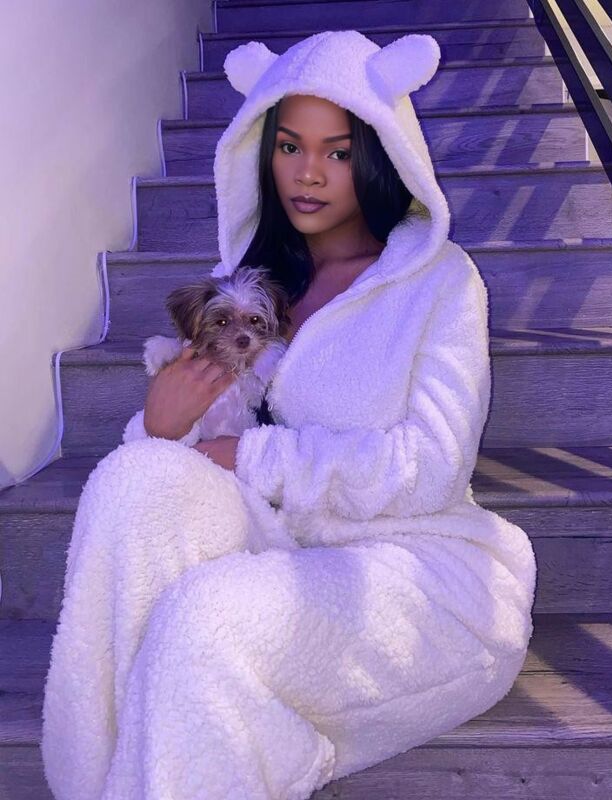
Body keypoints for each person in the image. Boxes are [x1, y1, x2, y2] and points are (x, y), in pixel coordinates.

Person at [41, 30, 537, 800]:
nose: (309, 172)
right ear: (261, 152)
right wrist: (162, 426)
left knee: (204, 621)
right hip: (281, 544)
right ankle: (93, 781)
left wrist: (253, 458)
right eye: (289, 146)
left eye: (338, 151)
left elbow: (433, 468)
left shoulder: (440, 282)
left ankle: (244, 740)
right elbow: (198, 444)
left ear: (381, 154)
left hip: (419, 570)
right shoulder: (249, 283)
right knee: (129, 481)